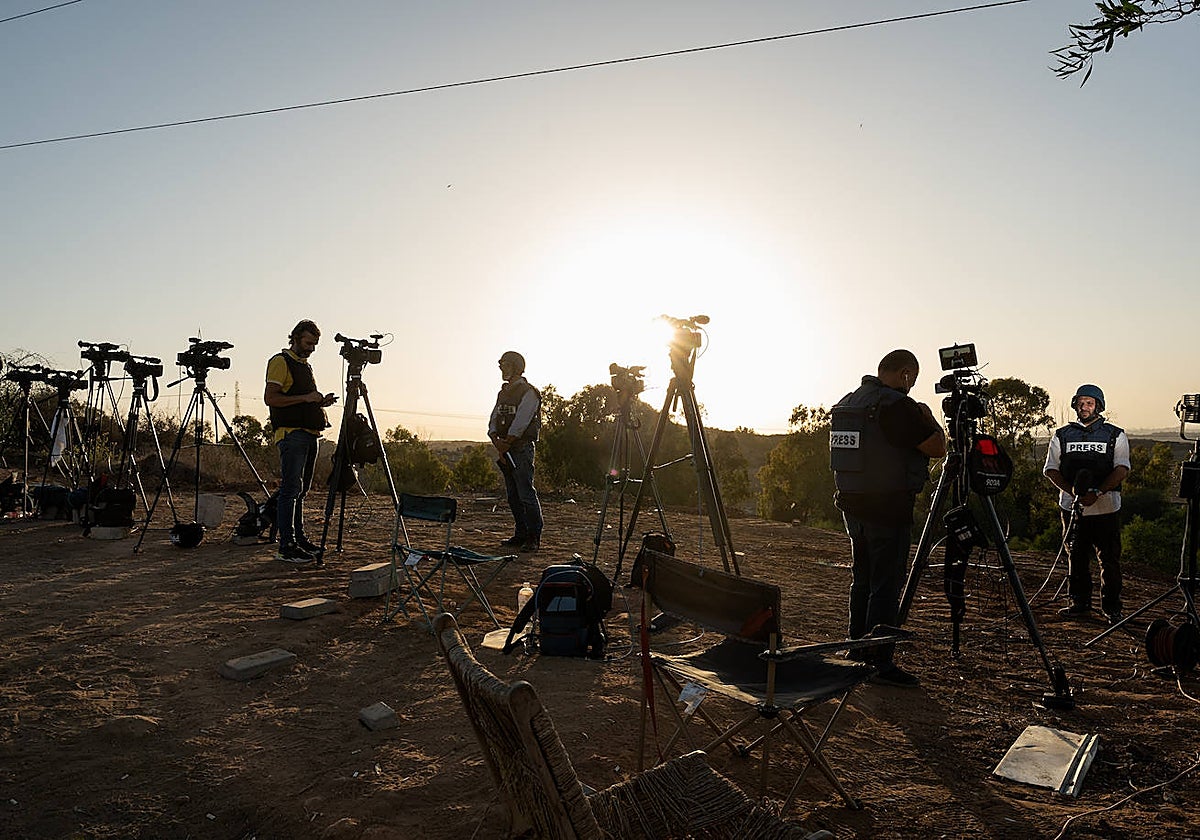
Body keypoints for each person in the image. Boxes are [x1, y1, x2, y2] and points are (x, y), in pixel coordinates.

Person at [830, 349, 946, 687]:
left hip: (852, 505)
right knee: (885, 585)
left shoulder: (850, 401)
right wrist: (928, 416)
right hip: (888, 508)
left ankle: (855, 647)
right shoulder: (897, 406)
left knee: (863, 579)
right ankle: (879, 661)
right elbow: (937, 447)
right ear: (905, 374)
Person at [1044, 384, 1130, 624]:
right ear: (1075, 405)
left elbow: (1121, 469)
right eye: (1081, 403)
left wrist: (1099, 492)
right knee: (1076, 557)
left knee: (1109, 560)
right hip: (1072, 509)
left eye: (1089, 403)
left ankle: (1112, 608)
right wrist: (1072, 491)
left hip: (1106, 509)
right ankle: (1079, 604)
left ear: (1098, 406)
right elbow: (1051, 469)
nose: (1084, 407)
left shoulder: (1115, 435)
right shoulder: (1061, 434)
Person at [264, 320, 336, 563]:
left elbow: (300, 398)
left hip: (309, 433)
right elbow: (271, 398)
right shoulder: (280, 362)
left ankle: (298, 539)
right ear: (295, 337)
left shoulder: (304, 365)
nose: (311, 348)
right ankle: (286, 545)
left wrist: (319, 402)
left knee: (301, 491)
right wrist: (307, 398)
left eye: (315, 344)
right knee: (290, 490)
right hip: (291, 434)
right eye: (308, 343)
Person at [489, 350, 543, 552]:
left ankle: (533, 536)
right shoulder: (503, 393)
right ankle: (520, 534)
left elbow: (522, 420)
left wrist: (507, 442)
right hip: (505, 449)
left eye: (506, 365)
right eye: (501, 365)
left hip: (520, 449)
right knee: (513, 495)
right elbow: (494, 418)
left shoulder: (529, 392)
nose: (502, 368)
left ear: (516, 367)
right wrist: (496, 440)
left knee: (526, 493)